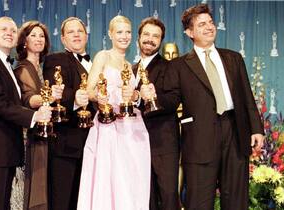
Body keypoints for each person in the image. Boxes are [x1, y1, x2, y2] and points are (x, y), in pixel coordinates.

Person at [168, 4, 265, 210]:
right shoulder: (179, 65)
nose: (209, 27)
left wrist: (256, 128)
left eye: (211, 22)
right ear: (189, 32)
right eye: (201, 24)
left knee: (236, 200)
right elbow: (169, 101)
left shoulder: (233, 58)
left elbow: (247, 96)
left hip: (235, 134)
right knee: (199, 202)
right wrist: (148, 95)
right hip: (199, 138)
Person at [0, 16, 52, 210]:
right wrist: (33, 116)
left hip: (5, 151)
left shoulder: (7, 66)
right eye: (4, 29)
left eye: (13, 30)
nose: (9, 33)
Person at [77, 15, 151, 210]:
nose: (124, 36)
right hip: (109, 125)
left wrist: (135, 94)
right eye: (119, 32)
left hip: (132, 126)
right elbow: (90, 90)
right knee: (109, 175)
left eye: (128, 32)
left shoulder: (130, 65)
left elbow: (134, 96)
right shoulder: (103, 56)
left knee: (131, 177)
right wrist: (100, 98)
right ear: (110, 34)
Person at [43, 17, 95, 210]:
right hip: (66, 144)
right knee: (63, 199)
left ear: (86, 36)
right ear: (63, 39)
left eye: (80, 31)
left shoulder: (96, 62)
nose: (76, 35)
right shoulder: (55, 59)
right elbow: (57, 89)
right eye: (71, 32)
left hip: (93, 144)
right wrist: (75, 97)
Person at [14, 20, 63, 210]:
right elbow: (28, 99)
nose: (38, 39)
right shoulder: (23, 68)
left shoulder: (42, 68)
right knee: (34, 186)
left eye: (41, 35)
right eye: (33, 35)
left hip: (44, 135)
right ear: (24, 41)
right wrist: (48, 97)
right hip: (30, 137)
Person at [133, 17, 180, 210]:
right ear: (139, 37)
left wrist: (154, 97)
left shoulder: (170, 67)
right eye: (146, 35)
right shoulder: (131, 69)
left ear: (160, 41)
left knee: (167, 194)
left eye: (155, 36)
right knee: (143, 195)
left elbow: (173, 100)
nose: (150, 40)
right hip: (134, 141)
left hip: (162, 141)